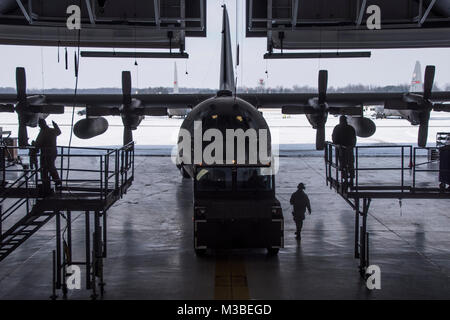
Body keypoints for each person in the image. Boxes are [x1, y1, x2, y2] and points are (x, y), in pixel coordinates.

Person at [35, 119, 62, 194]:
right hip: (52, 152)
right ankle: (56, 180)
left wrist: (35, 146)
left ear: (41, 124)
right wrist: (55, 125)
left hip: (46, 152)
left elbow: (38, 143)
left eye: (39, 124)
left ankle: (46, 181)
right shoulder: (51, 130)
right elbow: (59, 132)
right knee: (50, 166)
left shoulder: (43, 132)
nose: (39, 126)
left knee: (45, 168)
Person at [332, 116, 357, 183]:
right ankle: (351, 178)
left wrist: (337, 145)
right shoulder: (350, 128)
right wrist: (352, 146)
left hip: (340, 150)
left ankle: (345, 178)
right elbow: (354, 138)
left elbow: (334, 138)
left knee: (343, 164)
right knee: (351, 164)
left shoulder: (337, 128)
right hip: (349, 150)